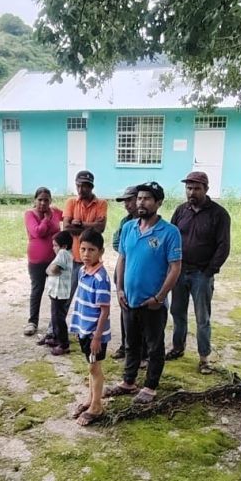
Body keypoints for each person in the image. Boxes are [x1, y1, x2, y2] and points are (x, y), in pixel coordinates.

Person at [106, 182, 182, 405]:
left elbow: (175, 268)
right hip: (129, 299)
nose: (141, 202)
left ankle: (150, 386)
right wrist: (119, 289)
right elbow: (122, 258)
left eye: (147, 198)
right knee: (131, 342)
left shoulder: (169, 232)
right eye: (139, 198)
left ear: (158, 203)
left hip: (152, 303)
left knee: (154, 345)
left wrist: (159, 297)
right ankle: (128, 381)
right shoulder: (129, 228)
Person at [167, 170, 231, 374]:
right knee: (177, 312)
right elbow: (170, 237)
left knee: (202, 317)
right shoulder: (180, 211)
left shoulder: (218, 214)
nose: (191, 192)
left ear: (206, 189)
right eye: (188, 188)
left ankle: (204, 358)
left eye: (196, 188)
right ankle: (178, 348)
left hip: (201, 274)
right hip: (178, 271)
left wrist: (209, 270)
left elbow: (223, 246)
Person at [68, 230, 112, 426]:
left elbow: (104, 311)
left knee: (95, 367)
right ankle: (91, 398)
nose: (86, 254)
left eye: (91, 250)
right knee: (91, 365)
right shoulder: (82, 271)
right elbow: (80, 301)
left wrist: (96, 337)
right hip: (84, 329)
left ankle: (97, 406)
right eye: (83, 249)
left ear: (100, 252)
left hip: (96, 334)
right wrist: (77, 325)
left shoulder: (100, 278)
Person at [61, 170, 107, 296]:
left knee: (89, 296)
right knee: (67, 296)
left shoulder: (101, 204)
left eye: (84, 186)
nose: (80, 189)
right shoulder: (71, 202)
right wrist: (91, 227)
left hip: (93, 258)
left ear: (91, 187)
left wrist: (80, 224)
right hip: (74, 257)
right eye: (78, 186)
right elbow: (66, 228)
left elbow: (101, 228)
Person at [24, 187, 62, 336]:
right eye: (40, 199)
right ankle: (32, 321)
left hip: (54, 259)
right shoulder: (30, 214)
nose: (43, 203)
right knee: (37, 290)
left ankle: (55, 323)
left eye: (46, 200)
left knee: (56, 291)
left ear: (50, 200)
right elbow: (37, 232)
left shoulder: (55, 212)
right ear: (35, 200)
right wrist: (46, 218)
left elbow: (67, 217)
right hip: (37, 260)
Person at [111, 185, 139, 360]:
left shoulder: (153, 223)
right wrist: (129, 250)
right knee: (125, 308)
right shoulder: (125, 222)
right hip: (124, 267)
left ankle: (141, 350)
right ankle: (125, 345)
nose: (127, 204)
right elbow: (116, 242)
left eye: (130, 200)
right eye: (125, 201)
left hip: (141, 272)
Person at [44, 230, 73, 354]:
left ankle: (63, 344)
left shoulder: (63, 253)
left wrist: (48, 271)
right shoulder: (65, 254)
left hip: (59, 292)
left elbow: (54, 269)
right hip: (57, 291)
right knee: (55, 317)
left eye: (55, 245)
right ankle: (56, 338)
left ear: (64, 246)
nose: (53, 248)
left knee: (59, 318)